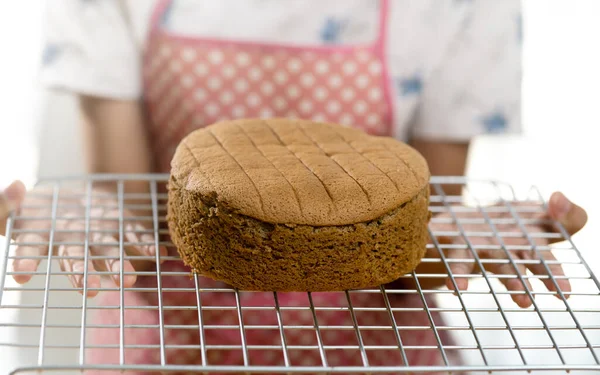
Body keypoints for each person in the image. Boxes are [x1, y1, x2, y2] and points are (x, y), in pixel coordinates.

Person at [0, 0, 588, 373]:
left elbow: (414, 243)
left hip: (373, 351)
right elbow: (130, 212)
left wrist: (457, 240)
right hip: (170, 340)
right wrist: (92, 210)